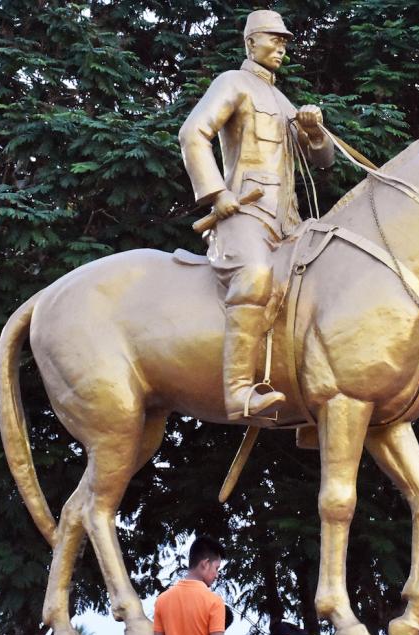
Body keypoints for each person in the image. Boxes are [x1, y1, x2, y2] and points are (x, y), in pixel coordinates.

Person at [178, 9, 335, 421]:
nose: (281, 48)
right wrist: (216, 193)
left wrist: (315, 130)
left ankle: (317, 397)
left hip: (289, 221)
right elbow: (193, 133)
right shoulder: (232, 83)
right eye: (274, 39)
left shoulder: (283, 101)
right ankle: (238, 393)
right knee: (256, 277)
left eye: (285, 42)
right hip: (246, 215)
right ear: (250, 42)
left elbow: (324, 161)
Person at [153, 536, 232, 635]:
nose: (217, 575)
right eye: (216, 568)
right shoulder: (214, 602)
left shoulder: (162, 600)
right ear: (205, 564)